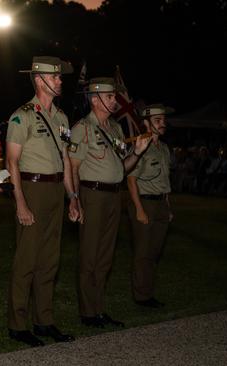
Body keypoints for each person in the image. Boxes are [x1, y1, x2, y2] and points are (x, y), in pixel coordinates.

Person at [5, 56, 80, 347]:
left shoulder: (61, 118)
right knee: (26, 259)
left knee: (49, 260)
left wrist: (73, 197)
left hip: (55, 191)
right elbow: (12, 162)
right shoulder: (21, 116)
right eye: (55, 76)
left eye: (61, 77)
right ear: (40, 80)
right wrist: (20, 202)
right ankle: (18, 324)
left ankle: (44, 320)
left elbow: (65, 159)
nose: (60, 80)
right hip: (31, 188)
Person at [68, 77, 150, 328]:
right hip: (92, 195)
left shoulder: (115, 128)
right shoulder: (82, 128)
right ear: (95, 99)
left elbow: (123, 168)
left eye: (115, 96)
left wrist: (137, 153)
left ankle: (99, 309)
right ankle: (87, 312)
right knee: (90, 255)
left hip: (115, 195)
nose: (115, 100)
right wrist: (74, 199)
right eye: (110, 96)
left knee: (105, 257)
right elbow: (73, 167)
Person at [127, 104, 175, 308]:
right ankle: (142, 296)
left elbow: (165, 181)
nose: (162, 124)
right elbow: (130, 180)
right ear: (146, 123)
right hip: (144, 202)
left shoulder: (163, 148)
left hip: (161, 204)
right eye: (157, 120)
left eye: (163, 120)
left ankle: (147, 291)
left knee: (154, 252)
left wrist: (168, 207)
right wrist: (139, 209)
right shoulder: (141, 147)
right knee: (143, 252)